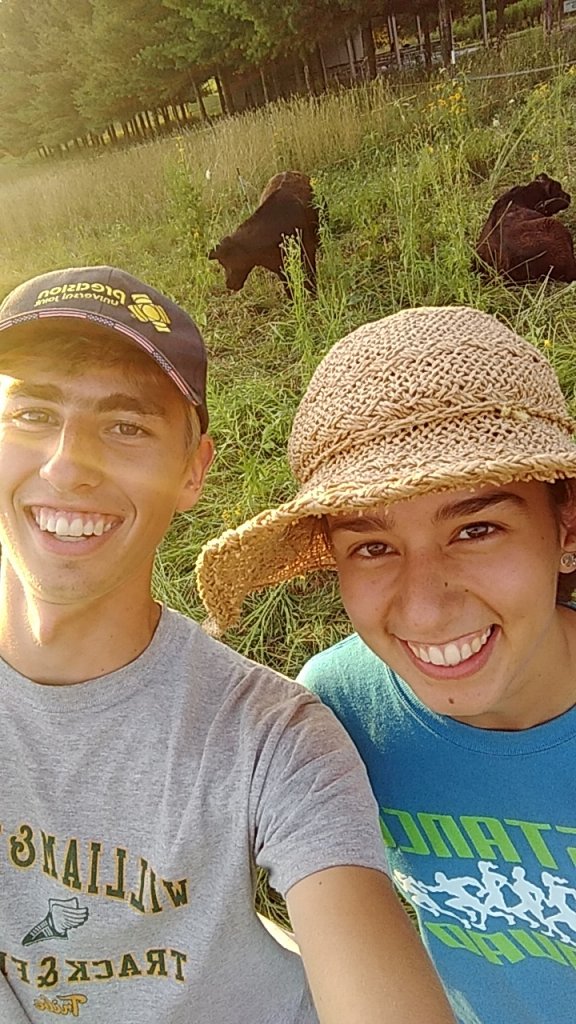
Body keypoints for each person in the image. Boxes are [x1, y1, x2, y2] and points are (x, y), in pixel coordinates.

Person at [0, 267, 456, 1024]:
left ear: (194, 471)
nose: (68, 463)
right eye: (32, 413)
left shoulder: (274, 736)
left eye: (126, 426)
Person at [197, 304, 576, 1024]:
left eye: (477, 528)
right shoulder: (336, 714)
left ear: (566, 529)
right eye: (372, 546)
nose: (426, 610)